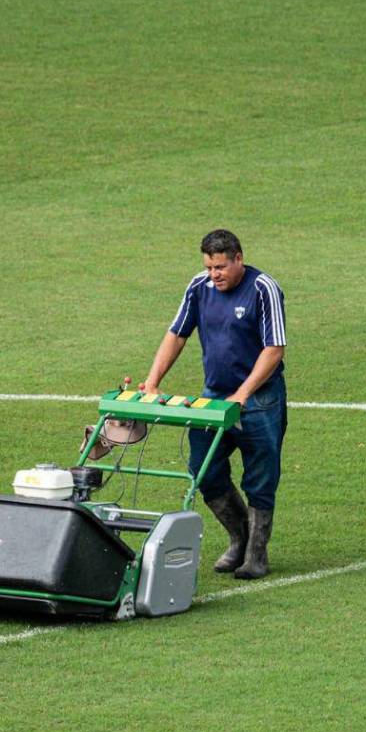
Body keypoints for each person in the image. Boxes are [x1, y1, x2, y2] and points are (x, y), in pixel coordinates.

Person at [140, 229, 287, 580]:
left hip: (260, 399)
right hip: (214, 395)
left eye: (220, 267)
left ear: (239, 258)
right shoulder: (198, 287)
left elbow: (274, 348)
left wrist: (244, 392)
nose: (214, 275)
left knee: (261, 476)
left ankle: (256, 555)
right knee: (203, 467)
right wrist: (153, 381)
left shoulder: (263, 289)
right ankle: (239, 538)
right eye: (209, 267)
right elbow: (177, 334)